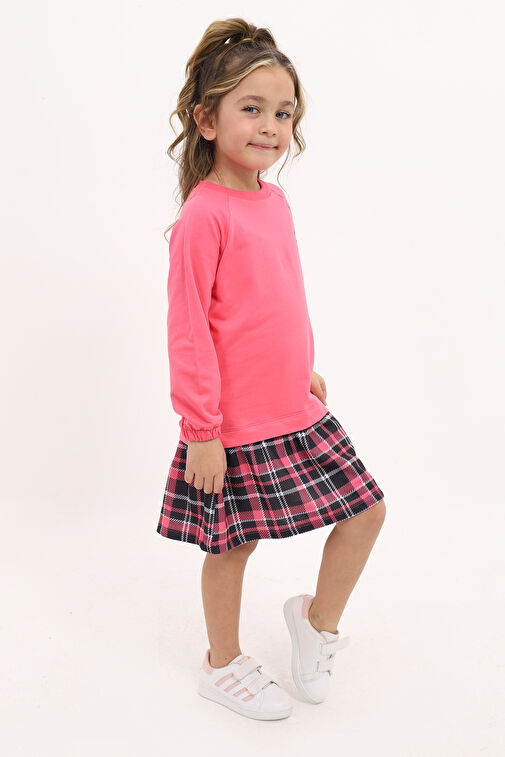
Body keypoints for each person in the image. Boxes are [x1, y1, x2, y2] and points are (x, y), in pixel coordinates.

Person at [156, 18, 386, 721]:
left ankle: (315, 622)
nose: (270, 126)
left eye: (283, 113)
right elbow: (189, 331)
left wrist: (302, 366)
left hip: (290, 403)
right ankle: (221, 663)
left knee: (366, 511)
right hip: (230, 423)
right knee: (235, 544)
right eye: (251, 108)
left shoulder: (274, 200)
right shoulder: (204, 216)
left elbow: (279, 296)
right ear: (206, 120)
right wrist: (201, 430)